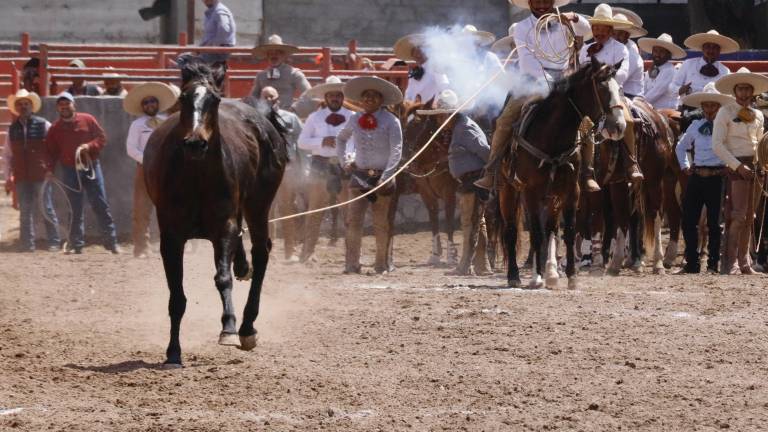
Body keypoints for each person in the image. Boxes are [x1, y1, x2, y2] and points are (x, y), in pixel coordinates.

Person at [475, 0, 591, 191]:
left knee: (586, 120)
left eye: (546, 0)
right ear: (529, 3)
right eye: (537, 1)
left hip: (564, 78)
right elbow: (529, 63)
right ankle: (492, 171)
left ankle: (587, 172)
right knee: (505, 119)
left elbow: (586, 31)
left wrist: (575, 17)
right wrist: (552, 85)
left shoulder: (566, 22)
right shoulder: (522, 28)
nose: (542, 5)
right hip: (532, 80)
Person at [418, 90, 492, 276]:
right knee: (477, 223)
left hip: (474, 181)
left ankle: (465, 266)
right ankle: (482, 266)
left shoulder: (464, 129)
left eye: (441, 116)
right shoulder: (460, 128)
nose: (439, 120)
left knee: (470, 223)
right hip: (472, 180)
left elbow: (486, 152)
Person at [336, 76, 403, 274]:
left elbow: (397, 150)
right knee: (353, 220)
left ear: (381, 100)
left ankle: (381, 264)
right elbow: (341, 139)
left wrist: (387, 175)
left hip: (383, 176)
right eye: (366, 96)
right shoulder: (354, 119)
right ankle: (351, 264)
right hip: (359, 176)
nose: (369, 99)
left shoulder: (392, 121)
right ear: (361, 99)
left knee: (381, 222)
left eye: (374, 96)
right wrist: (344, 161)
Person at [45, 92, 119, 254]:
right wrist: (49, 170)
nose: (64, 107)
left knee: (100, 203)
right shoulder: (55, 128)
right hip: (70, 170)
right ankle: (76, 244)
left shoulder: (88, 119)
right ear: (58, 107)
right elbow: (51, 152)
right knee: (74, 207)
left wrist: (89, 146)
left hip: (90, 166)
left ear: (73, 105)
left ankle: (111, 242)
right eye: (61, 105)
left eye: (67, 104)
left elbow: (101, 138)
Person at [579, 4, 644, 183]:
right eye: (596, 28)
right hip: (588, 96)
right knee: (582, 124)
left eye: (603, 28)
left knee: (628, 120)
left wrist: (604, 79)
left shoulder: (620, 49)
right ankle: (586, 170)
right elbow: (578, 71)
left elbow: (622, 73)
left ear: (610, 30)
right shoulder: (585, 49)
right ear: (592, 29)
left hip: (612, 92)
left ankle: (632, 163)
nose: (599, 32)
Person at [712, 67, 768, 274]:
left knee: (750, 215)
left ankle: (744, 262)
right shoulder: (725, 112)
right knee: (737, 215)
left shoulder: (758, 115)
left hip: (756, 167)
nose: (744, 93)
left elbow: (760, 142)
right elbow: (717, 145)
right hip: (737, 167)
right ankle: (730, 263)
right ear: (734, 91)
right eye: (740, 89)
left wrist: (762, 164)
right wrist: (737, 166)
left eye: (747, 89)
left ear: (752, 92)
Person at [675, 83, 733, 274]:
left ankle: (713, 265)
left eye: (713, 106)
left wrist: (730, 166)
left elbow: (734, 148)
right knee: (688, 220)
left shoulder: (727, 126)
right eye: (706, 106)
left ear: (719, 107)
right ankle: (692, 263)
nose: (709, 110)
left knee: (714, 224)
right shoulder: (695, 125)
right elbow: (680, 147)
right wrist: (685, 166)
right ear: (702, 107)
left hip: (717, 177)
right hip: (697, 176)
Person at [297, 76, 355, 264]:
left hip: (344, 164)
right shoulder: (315, 118)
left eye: (338, 95)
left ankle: (352, 255)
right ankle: (307, 253)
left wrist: (349, 157)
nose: (335, 98)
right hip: (320, 164)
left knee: (349, 212)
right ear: (326, 97)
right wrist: (321, 141)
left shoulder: (352, 117)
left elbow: (357, 143)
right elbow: (302, 142)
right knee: (315, 209)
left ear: (342, 97)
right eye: (331, 95)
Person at [124, 82, 176, 258]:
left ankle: (170, 245)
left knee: (171, 208)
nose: (149, 105)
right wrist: (148, 161)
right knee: (141, 208)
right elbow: (131, 149)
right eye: (146, 103)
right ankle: (141, 247)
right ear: (142, 107)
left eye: (152, 101)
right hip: (145, 169)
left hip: (168, 170)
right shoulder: (137, 125)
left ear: (158, 103)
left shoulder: (168, 122)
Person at [5, 89, 61, 252]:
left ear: (31, 106)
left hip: (41, 174)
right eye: (20, 104)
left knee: (46, 208)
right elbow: (7, 155)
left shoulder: (44, 124)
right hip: (22, 175)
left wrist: (50, 168)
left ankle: (54, 242)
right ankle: (27, 244)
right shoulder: (12, 129)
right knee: (25, 211)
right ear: (17, 108)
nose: (23, 107)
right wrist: (8, 176)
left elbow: (53, 149)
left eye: (26, 104)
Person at [261, 86, 305, 262]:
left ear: (277, 98)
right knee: (266, 212)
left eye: (271, 96)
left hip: (287, 170)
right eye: (264, 97)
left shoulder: (291, 118)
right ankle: (267, 250)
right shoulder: (257, 118)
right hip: (263, 171)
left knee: (287, 208)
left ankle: (290, 250)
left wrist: (304, 169)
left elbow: (301, 144)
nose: (268, 100)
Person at [248, 35, 310, 110]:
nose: (274, 56)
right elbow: (252, 98)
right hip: (264, 115)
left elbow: (309, 94)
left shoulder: (294, 73)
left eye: (278, 52)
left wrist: (294, 109)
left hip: (285, 115)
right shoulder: (261, 75)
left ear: (284, 55)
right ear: (267, 56)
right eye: (270, 53)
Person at [674, 30, 737, 100]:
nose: (711, 50)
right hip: (688, 107)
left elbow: (728, 94)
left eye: (715, 48)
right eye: (708, 47)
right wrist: (680, 90)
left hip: (714, 108)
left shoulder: (725, 71)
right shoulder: (688, 64)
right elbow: (672, 86)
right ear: (702, 48)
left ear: (719, 51)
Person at [393, 33, 449, 105]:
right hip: (414, 108)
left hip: (431, 109)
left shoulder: (436, 66)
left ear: (428, 52)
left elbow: (444, 86)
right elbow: (410, 93)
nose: (417, 54)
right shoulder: (414, 72)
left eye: (420, 50)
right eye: (414, 51)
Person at [638, 33, 687, 110]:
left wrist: (638, 103)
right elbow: (644, 89)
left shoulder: (669, 71)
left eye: (661, 52)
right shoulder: (651, 69)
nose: (657, 54)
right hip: (649, 108)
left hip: (666, 111)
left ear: (668, 54)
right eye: (655, 51)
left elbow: (655, 93)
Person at [611, 11, 647, 98]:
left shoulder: (632, 55)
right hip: (614, 94)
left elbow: (617, 80)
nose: (615, 38)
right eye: (613, 34)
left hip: (631, 97)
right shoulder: (611, 50)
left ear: (627, 35)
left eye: (620, 34)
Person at [199, 0, 236, 65]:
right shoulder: (211, 12)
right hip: (211, 50)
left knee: (189, 64)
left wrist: (211, 45)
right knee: (184, 58)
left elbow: (224, 30)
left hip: (217, 51)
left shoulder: (220, 11)